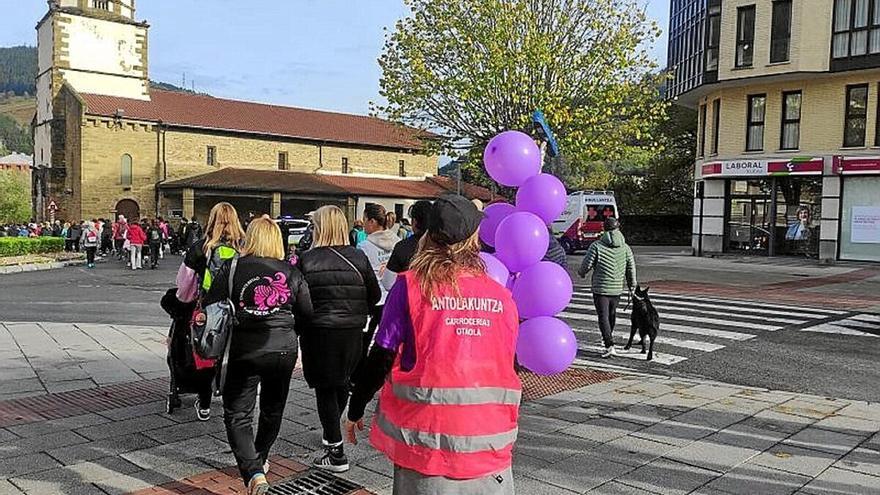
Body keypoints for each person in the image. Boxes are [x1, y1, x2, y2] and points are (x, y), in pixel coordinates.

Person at [346, 194, 521, 494]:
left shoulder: (411, 287)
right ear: (473, 238)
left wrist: (355, 406)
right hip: (488, 439)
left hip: (427, 443)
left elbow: (383, 353)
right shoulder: (500, 294)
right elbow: (509, 362)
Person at [206, 217, 312, 495]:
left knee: (238, 413)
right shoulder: (291, 272)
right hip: (283, 348)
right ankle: (261, 457)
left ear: (250, 238)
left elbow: (211, 305)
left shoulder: (232, 268)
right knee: (272, 409)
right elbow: (307, 313)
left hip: (243, 349)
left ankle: (253, 472)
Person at [297, 206, 381, 472]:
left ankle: (335, 451)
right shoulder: (358, 257)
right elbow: (375, 294)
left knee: (324, 388)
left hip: (319, 332)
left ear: (320, 228)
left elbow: (300, 300)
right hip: (352, 331)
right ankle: (331, 431)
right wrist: (359, 311)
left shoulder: (307, 260)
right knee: (342, 383)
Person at [176, 202, 247, 420]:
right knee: (235, 355)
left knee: (205, 354)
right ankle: (234, 402)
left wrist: (184, 301)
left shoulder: (201, 247)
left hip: (208, 309)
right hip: (238, 309)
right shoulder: (245, 246)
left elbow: (184, 284)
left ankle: (205, 402)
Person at [353, 203, 400, 384]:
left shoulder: (364, 245)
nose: (363, 224)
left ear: (373, 221)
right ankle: (386, 373)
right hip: (392, 297)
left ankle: (359, 376)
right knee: (388, 340)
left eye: (365, 220)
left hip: (373, 299)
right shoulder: (396, 241)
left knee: (365, 339)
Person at [577, 217, 636, 358]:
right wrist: (632, 285)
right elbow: (631, 267)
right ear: (618, 228)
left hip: (600, 289)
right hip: (616, 288)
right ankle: (607, 339)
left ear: (604, 228)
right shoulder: (626, 247)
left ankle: (609, 344)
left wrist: (582, 273)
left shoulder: (597, 246)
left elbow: (587, 264)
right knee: (611, 314)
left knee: (603, 316)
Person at [386, 200, 432, 273]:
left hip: (407, 283)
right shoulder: (442, 248)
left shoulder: (402, 247)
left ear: (414, 221)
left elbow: (388, 281)